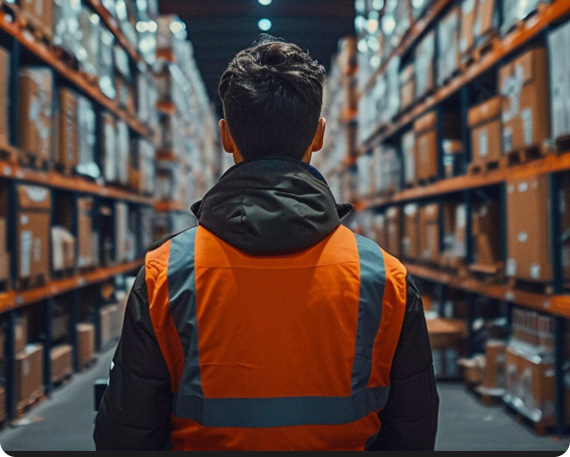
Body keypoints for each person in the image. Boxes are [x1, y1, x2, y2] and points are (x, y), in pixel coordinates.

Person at [94, 39, 439, 451]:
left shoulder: (164, 274)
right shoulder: (387, 280)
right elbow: (412, 434)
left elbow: (125, 437)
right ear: (319, 135)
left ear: (225, 136)